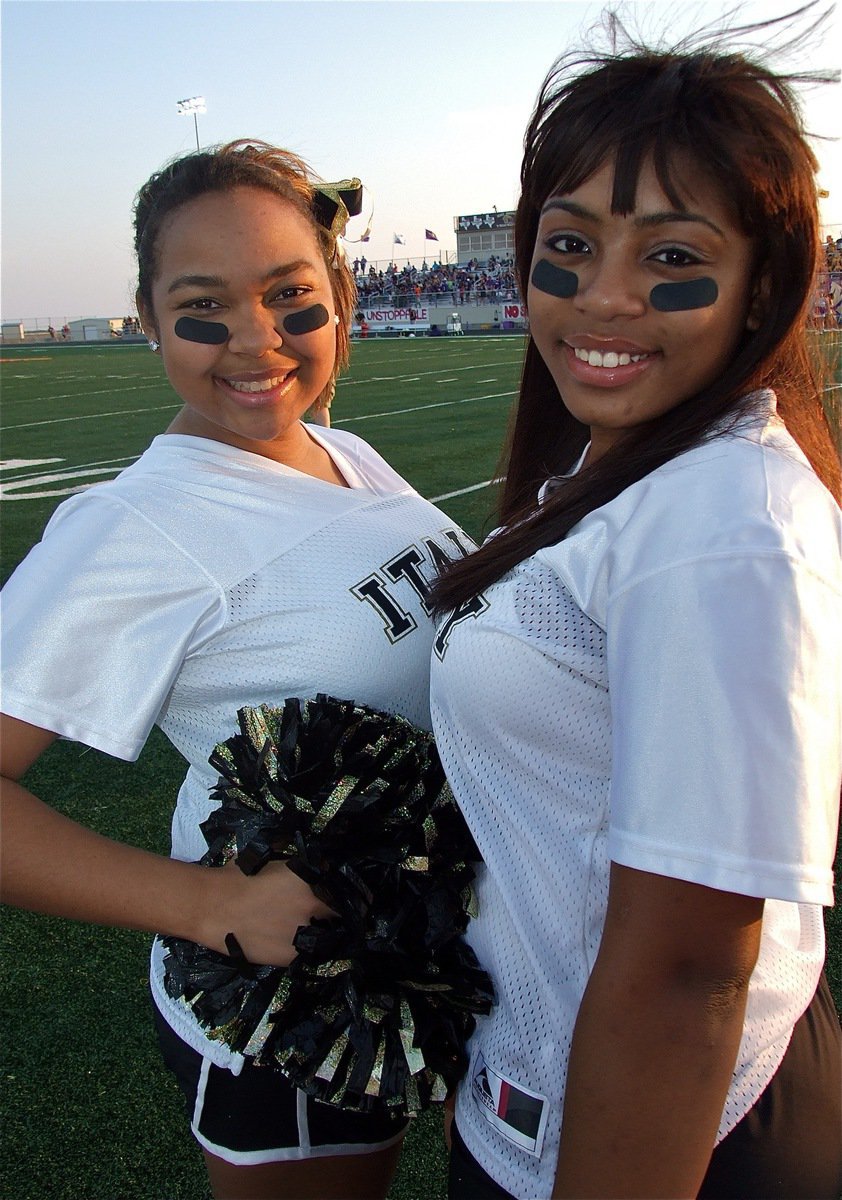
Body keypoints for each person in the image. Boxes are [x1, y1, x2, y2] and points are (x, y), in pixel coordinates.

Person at [0, 139, 473, 1200]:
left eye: (290, 296)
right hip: (296, 1009)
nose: (255, 340)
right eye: (203, 306)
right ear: (148, 313)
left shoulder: (341, 450)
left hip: (411, 957)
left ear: (339, 295)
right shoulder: (132, 528)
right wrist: (207, 903)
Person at [429, 12, 842, 1199]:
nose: (601, 299)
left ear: (761, 285)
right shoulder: (638, 469)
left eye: (670, 257)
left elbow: (688, 972)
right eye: (567, 245)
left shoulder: (719, 525)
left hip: (678, 1129)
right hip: (571, 1086)